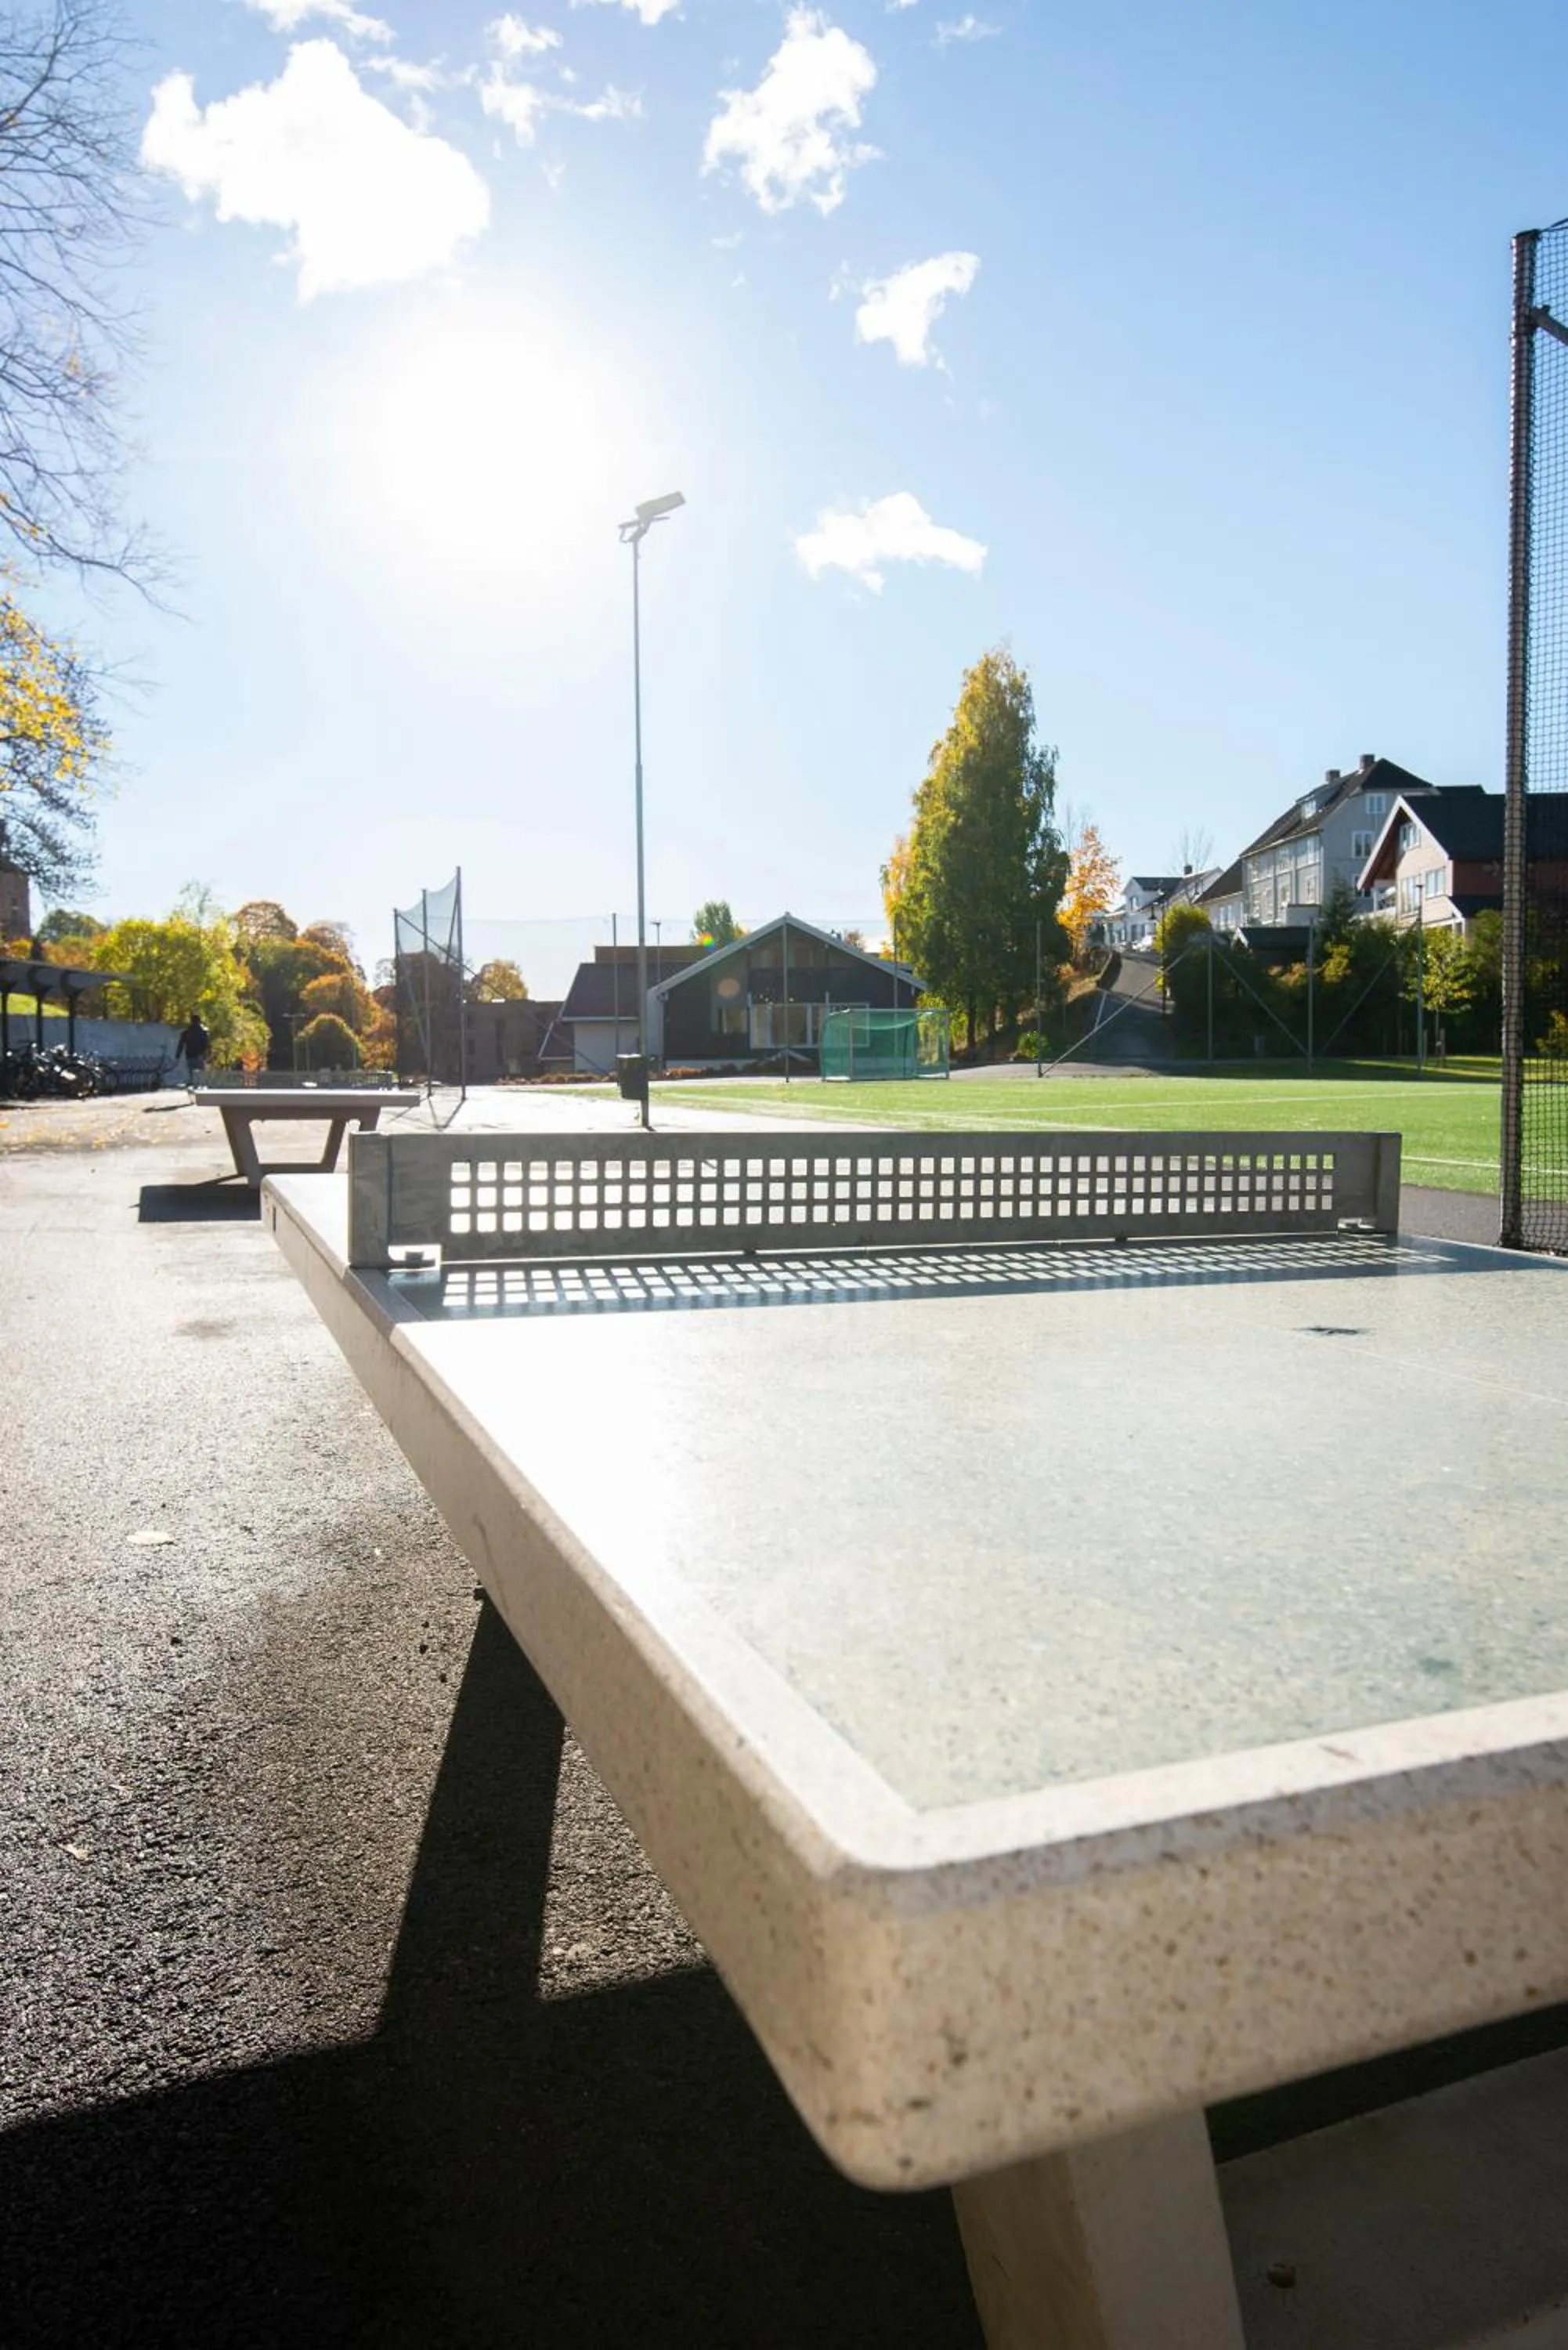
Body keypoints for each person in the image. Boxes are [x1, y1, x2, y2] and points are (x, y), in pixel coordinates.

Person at [175, 1011, 210, 1089]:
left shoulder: (187, 1032)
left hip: (190, 1055)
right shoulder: (204, 1032)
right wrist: (208, 1055)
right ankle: (202, 1087)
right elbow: (207, 1044)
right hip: (201, 1056)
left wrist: (177, 1056)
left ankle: (195, 1088)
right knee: (201, 1073)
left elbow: (181, 1045)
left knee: (192, 1073)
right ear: (199, 1021)